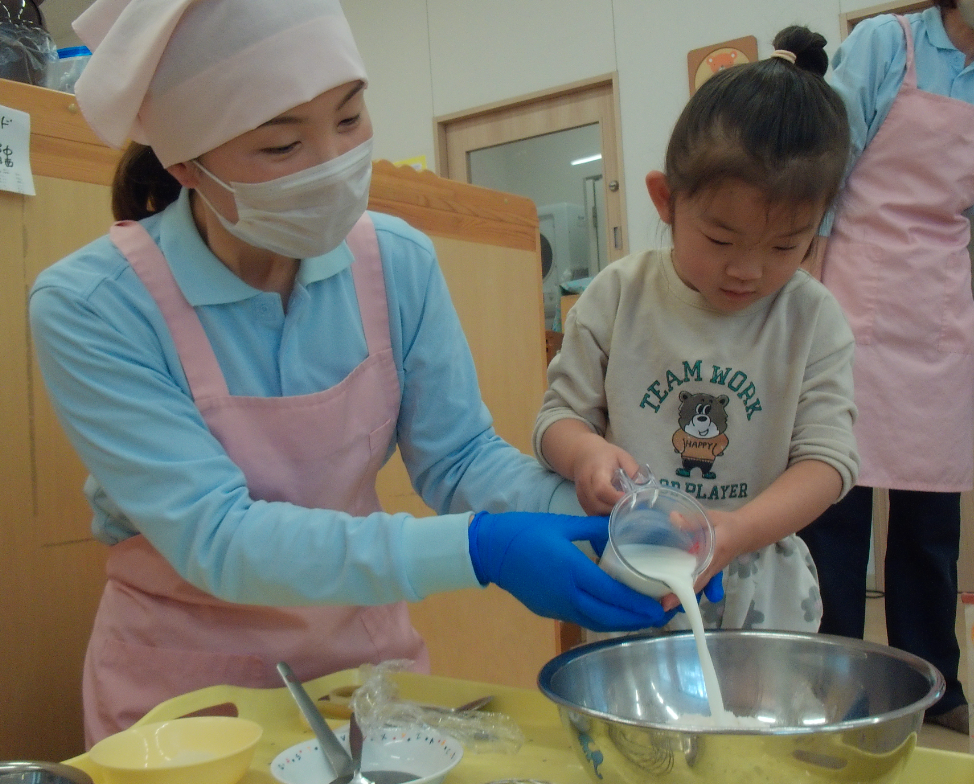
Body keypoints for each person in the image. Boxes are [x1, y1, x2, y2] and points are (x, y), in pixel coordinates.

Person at [28, 0, 672, 747]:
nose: (332, 161)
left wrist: (622, 529)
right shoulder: (93, 305)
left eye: (349, 117)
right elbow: (221, 538)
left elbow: (460, 458)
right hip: (183, 698)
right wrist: (479, 549)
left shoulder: (396, 262)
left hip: (361, 680)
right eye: (280, 146)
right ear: (185, 165)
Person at [533, 27, 859, 632]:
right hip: (637, 570)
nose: (748, 269)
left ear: (818, 228)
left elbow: (828, 463)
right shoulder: (618, 296)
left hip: (760, 570)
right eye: (720, 239)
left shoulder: (811, 318)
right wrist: (586, 453)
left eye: (786, 245)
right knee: (633, 720)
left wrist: (735, 529)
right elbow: (557, 418)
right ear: (666, 199)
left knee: (752, 720)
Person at [797, 0, 974, 734]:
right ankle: (829, 682)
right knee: (836, 506)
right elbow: (825, 169)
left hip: (939, 307)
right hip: (852, 291)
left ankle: (936, 687)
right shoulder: (887, 43)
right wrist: (800, 293)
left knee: (931, 516)